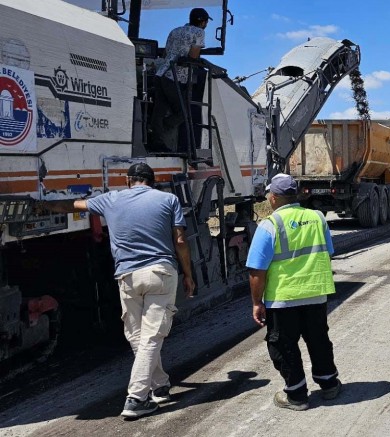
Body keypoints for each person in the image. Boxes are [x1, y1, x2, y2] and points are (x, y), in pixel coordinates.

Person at [39, 163, 195, 419]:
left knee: (138, 336)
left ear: (127, 180)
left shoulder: (110, 199)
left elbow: (73, 206)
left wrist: (44, 204)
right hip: (160, 272)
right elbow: (179, 240)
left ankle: (160, 384)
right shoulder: (169, 199)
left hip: (127, 277)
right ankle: (136, 397)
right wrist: (188, 274)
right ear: (151, 181)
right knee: (151, 336)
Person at [246, 173, 342, 411]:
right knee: (318, 339)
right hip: (316, 293)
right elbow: (327, 251)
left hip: (283, 298)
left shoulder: (270, 225)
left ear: (274, 198)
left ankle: (297, 394)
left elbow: (257, 270)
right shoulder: (318, 218)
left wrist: (257, 302)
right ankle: (329, 384)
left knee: (283, 345)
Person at [149, 7, 211, 152]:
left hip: (161, 74)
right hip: (174, 77)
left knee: (159, 109)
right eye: (206, 22)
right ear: (202, 22)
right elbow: (194, 56)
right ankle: (163, 127)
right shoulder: (199, 32)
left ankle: (156, 139)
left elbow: (166, 53)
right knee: (184, 112)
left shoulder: (175, 31)